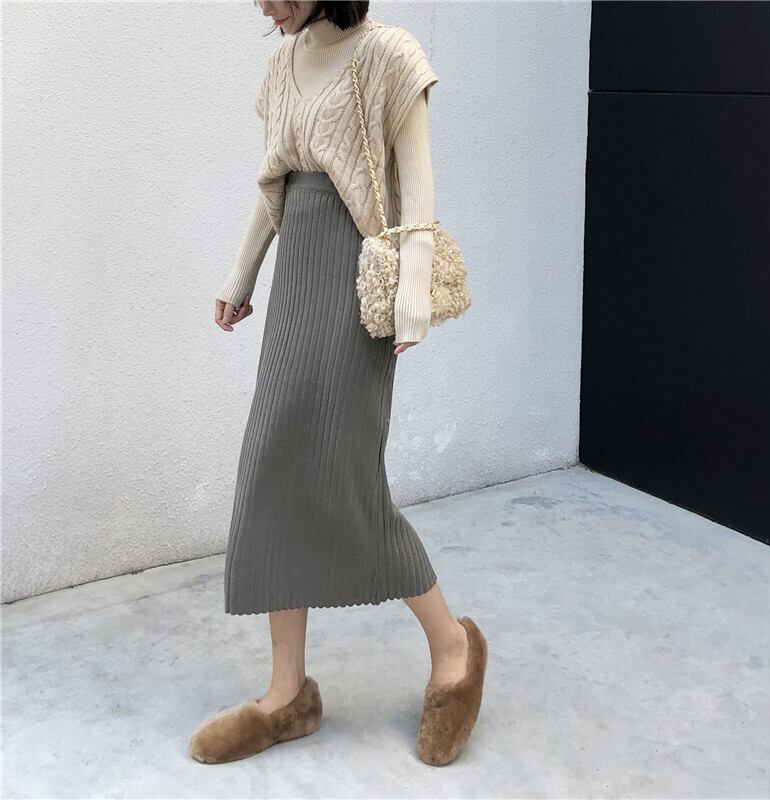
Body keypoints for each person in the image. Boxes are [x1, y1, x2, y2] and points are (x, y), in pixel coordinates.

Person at [189, 0, 487, 767]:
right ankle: (286, 694)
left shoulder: (391, 55)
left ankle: (454, 647)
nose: (265, 6)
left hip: (358, 291)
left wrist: (411, 296)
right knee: (271, 469)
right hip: (298, 281)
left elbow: (417, 187)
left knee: (346, 480)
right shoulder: (284, 64)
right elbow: (275, 187)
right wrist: (240, 276)